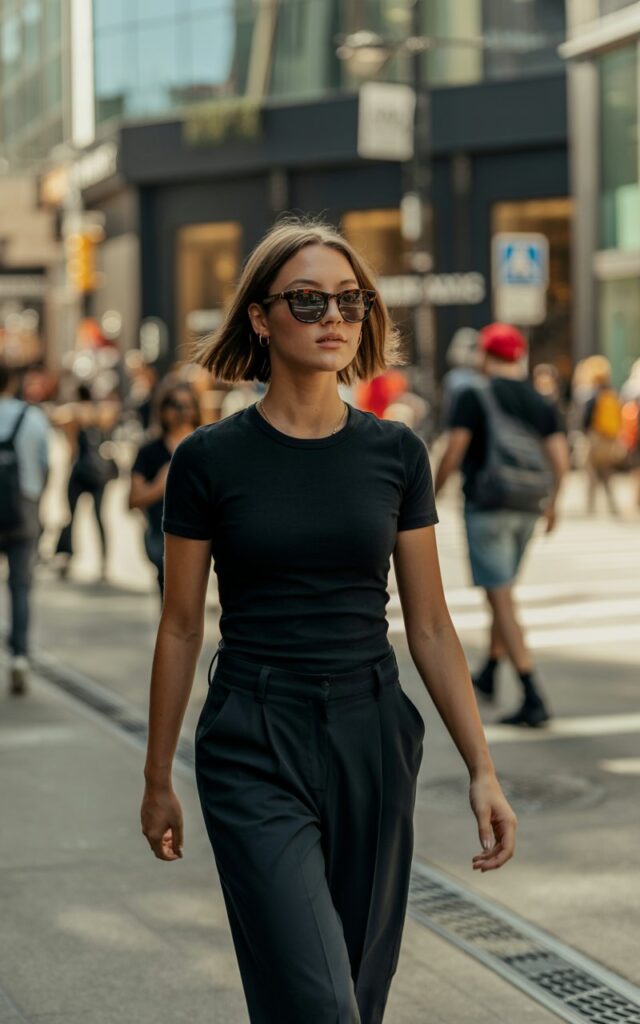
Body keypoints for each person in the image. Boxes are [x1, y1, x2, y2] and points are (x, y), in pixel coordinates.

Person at [140, 219, 517, 1024]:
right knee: (320, 1005)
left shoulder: (396, 453)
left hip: (372, 735)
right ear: (260, 317)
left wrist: (482, 767)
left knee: (354, 995)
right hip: (253, 736)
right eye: (308, 301)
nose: (333, 318)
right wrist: (157, 775)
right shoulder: (208, 459)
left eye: (350, 300)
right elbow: (179, 628)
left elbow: (432, 627)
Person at [435, 323, 570, 728]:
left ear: (484, 355)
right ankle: (491, 670)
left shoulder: (473, 393)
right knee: (503, 592)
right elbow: (560, 461)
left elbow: (453, 451)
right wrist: (554, 505)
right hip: (529, 505)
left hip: (489, 505)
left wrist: (429, 496)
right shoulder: (540, 401)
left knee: (501, 598)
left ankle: (532, 692)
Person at [0, 363, 50, 695]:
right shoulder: (32, 418)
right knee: (20, 587)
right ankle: (19, 657)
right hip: (23, 510)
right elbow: (46, 466)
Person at [129, 381, 200, 596]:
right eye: (175, 405)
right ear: (163, 409)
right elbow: (133, 499)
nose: (182, 412)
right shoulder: (150, 451)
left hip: (201, 533)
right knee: (170, 590)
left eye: (187, 405)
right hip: (161, 534)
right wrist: (160, 486)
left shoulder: (205, 447)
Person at [52, 383, 120, 581]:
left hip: (80, 472)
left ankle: (66, 557)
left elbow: (57, 418)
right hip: (99, 475)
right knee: (100, 517)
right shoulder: (101, 414)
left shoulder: (74, 414)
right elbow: (114, 413)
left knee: (70, 516)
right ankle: (104, 563)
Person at [582, 366, 624, 516]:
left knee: (591, 472)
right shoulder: (613, 395)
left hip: (595, 438)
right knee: (606, 472)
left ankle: (590, 506)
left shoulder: (593, 396)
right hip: (610, 439)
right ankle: (612, 506)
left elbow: (585, 420)